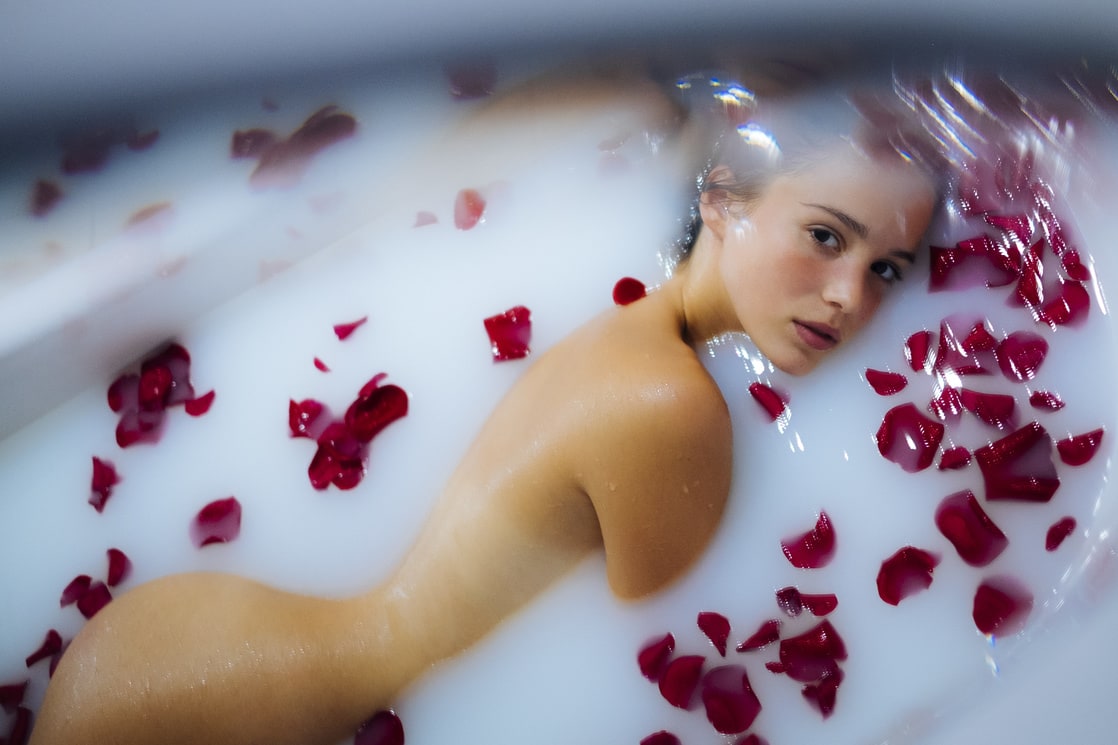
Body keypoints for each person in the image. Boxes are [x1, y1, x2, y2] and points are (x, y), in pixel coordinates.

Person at [29, 70, 939, 745]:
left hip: (180, 634)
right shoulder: (671, 403)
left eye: (887, 270)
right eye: (825, 237)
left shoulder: (628, 335)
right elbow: (658, 621)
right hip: (256, 697)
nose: (849, 297)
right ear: (725, 202)